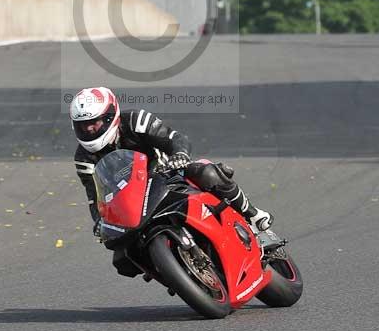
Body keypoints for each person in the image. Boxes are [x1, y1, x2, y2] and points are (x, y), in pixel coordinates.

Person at [70, 87, 274, 249]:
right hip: (131, 203)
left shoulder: (135, 120)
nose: (89, 128)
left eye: (94, 122)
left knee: (207, 172)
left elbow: (174, 138)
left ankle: (253, 216)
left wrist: (179, 155)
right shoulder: (83, 158)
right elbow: (94, 196)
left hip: (167, 175)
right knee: (120, 251)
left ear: (109, 116)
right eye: (83, 124)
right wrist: (98, 221)